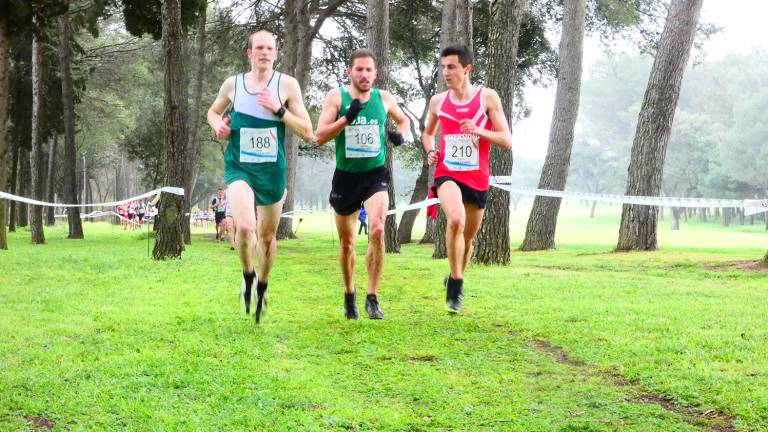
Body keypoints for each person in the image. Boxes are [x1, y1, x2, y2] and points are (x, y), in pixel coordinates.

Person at [207, 30, 313, 322]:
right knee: (244, 227)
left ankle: (263, 286)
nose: (264, 52)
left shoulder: (287, 85)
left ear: (276, 54)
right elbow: (213, 112)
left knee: (266, 237)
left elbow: (307, 131)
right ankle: (248, 276)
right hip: (239, 166)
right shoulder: (233, 84)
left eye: (270, 48)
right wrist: (218, 126)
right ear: (249, 53)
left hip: (272, 171)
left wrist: (279, 110)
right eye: (259, 48)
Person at [315, 49, 410, 320]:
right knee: (347, 243)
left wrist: (400, 135)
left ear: (375, 73)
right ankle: (349, 294)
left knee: (378, 229)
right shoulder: (337, 97)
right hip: (345, 177)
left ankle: (372, 296)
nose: (364, 74)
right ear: (350, 72)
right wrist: (346, 118)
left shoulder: (383, 98)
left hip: (375, 175)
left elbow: (404, 121)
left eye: (369, 70)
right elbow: (319, 136)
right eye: (359, 69)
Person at [422, 45, 513, 313]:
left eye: (451, 67)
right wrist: (430, 151)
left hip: (477, 177)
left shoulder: (488, 97)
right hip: (447, 173)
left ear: (467, 69)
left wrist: (479, 130)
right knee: (456, 220)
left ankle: (454, 275)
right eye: (443, 67)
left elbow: (506, 140)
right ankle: (457, 286)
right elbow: (427, 134)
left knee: (469, 238)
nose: (445, 72)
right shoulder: (438, 102)